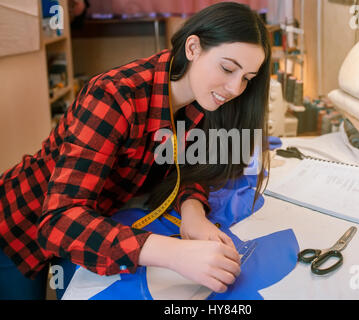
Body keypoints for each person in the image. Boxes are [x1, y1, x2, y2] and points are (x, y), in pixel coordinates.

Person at [0, 2, 271, 299]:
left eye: (246, 78)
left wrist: (193, 211)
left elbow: (184, 166)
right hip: (19, 226)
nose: (234, 88)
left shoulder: (202, 100)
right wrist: (173, 253)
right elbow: (59, 221)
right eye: (228, 68)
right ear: (193, 48)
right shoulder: (114, 96)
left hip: (94, 219)